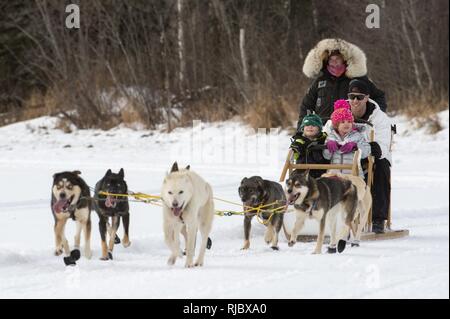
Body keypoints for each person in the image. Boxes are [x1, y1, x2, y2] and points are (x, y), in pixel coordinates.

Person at [297, 38, 387, 131]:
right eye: (331, 59)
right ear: (326, 61)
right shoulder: (320, 82)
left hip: (352, 131)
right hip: (324, 132)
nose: (334, 62)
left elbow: (379, 97)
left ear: (344, 59)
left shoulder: (358, 80)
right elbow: (306, 106)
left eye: (337, 58)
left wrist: (373, 119)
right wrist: (301, 129)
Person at [346, 79, 393, 234]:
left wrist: (372, 147)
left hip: (371, 157)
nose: (355, 101)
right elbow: (328, 130)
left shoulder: (379, 117)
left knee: (380, 167)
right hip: (345, 154)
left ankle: (378, 218)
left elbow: (384, 145)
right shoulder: (341, 111)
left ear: (366, 97)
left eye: (359, 97)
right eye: (352, 96)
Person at [323, 100, 371, 178]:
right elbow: (326, 156)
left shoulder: (357, 136)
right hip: (335, 175)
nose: (346, 124)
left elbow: (367, 152)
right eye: (342, 122)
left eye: (349, 121)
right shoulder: (331, 136)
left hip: (354, 175)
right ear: (336, 125)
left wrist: (356, 146)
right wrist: (328, 147)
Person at [290, 114, 329, 178]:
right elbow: (294, 156)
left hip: (320, 172)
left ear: (319, 129)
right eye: (307, 125)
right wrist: (296, 148)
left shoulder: (324, 140)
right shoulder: (299, 141)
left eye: (313, 125)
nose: (310, 127)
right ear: (303, 128)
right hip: (302, 172)